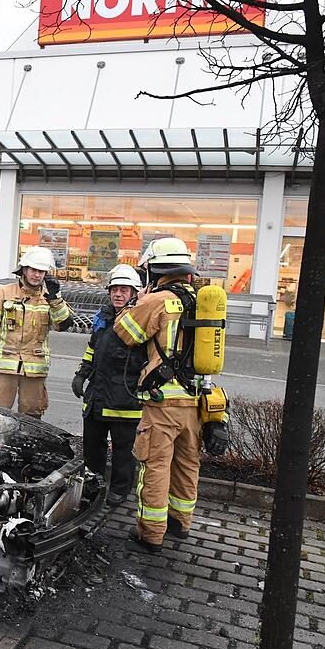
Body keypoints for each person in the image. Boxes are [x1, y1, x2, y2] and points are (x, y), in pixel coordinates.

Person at [113, 237, 203, 553]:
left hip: (163, 400)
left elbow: (125, 333)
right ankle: (181, 523)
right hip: (195, 399)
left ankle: (150, 534)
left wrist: (139, 301)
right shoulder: (202, 300)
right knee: (186, 464)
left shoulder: (159, 300)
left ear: (155, 269)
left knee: (156, 465)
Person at [72, 264, 145, 506]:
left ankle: (120, 490)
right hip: (98, 395)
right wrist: (82, 373)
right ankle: (93, 486)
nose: (118, 294)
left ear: (134, 293)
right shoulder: (104, 316)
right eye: (114, 289)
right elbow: (92, 349)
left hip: (124, 396)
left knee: (124, 450)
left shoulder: (140, 318)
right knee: (93, 446)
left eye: (124, 290)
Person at [0, 246, 72, 419]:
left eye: (42, 271)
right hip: (4, 368)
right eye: (34, 270)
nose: (37, 275)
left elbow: (62, 325)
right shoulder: (3, 294)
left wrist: (55, 299)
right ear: (24, 269)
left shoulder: (50, 297)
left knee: (32, 418)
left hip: (35, 370)